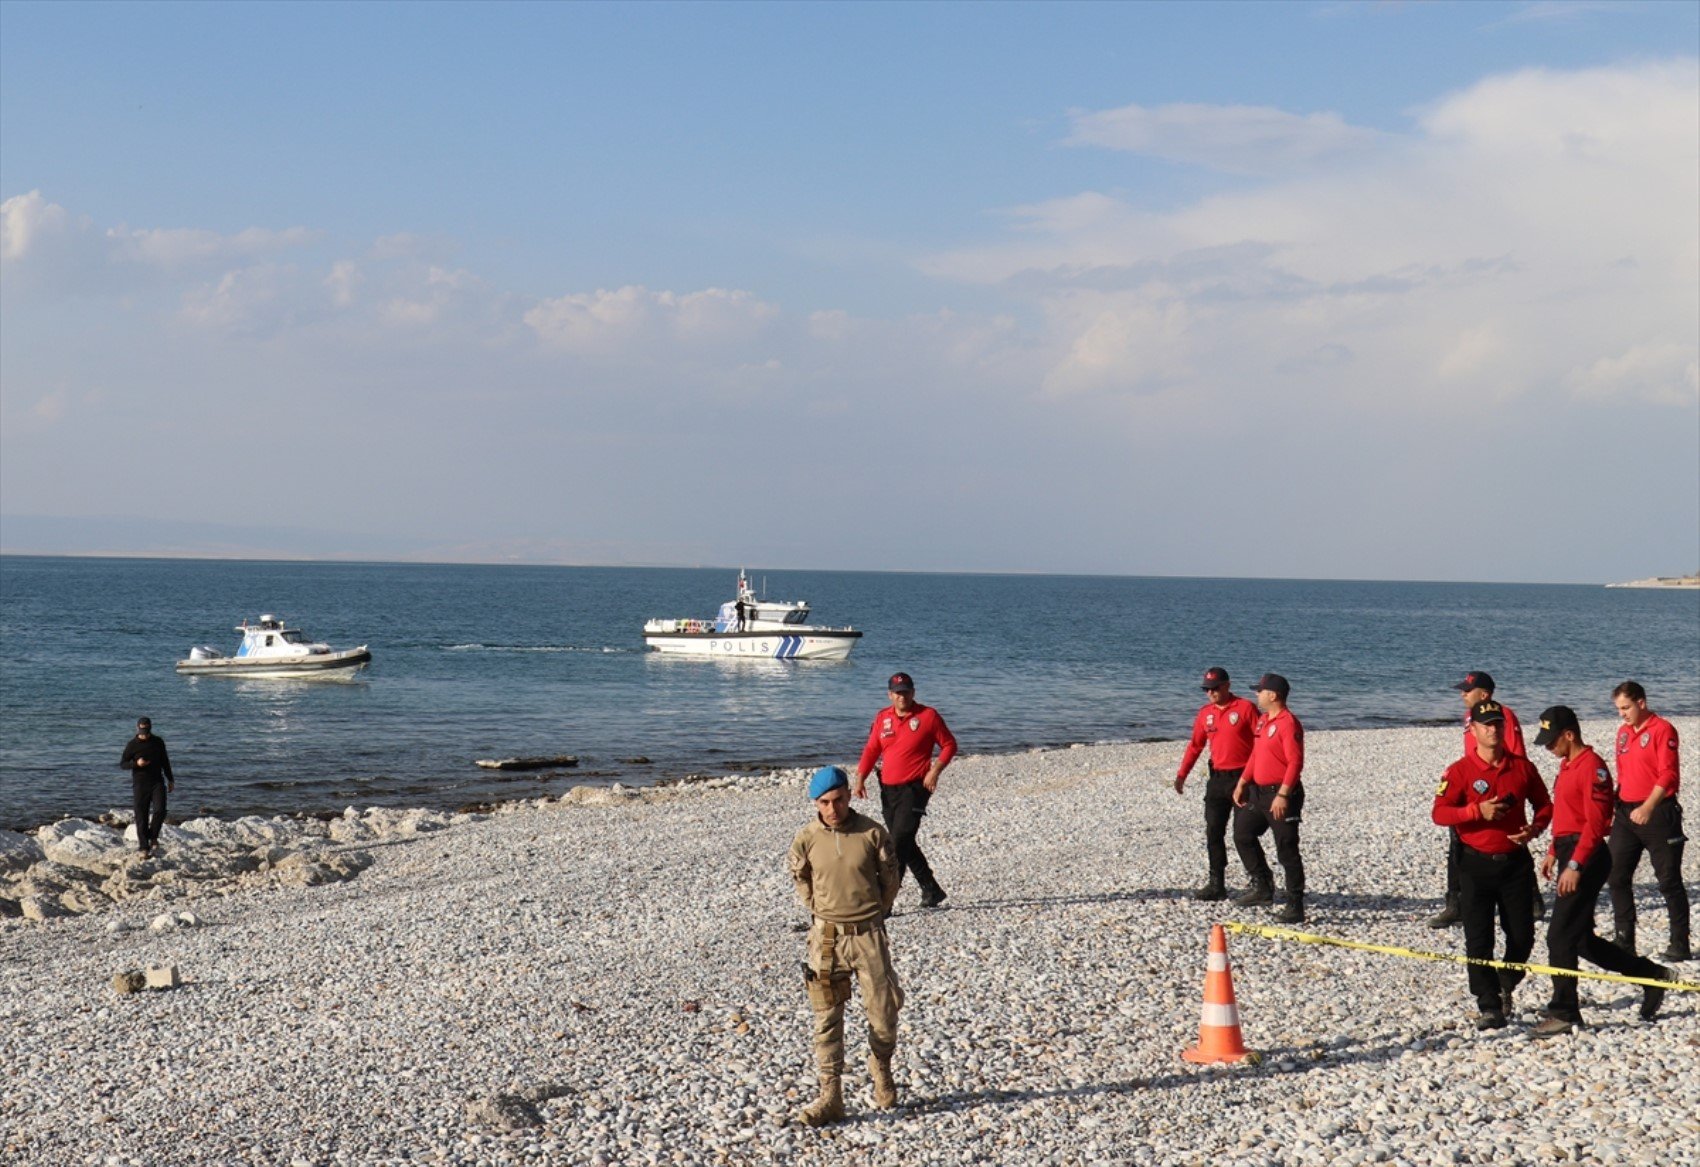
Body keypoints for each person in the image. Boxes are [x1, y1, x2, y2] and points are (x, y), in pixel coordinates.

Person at [1530, 706, 1669, 1037]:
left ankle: (1565, 1012)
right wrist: (1553, 852)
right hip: (1570, 849)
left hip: (1587, 855)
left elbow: (1595, 823)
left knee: (1558, 935)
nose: (1549, 748)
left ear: (1569, 735)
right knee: (1580, 941)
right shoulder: (1567, 766)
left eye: (1552, 741)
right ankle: (1651, 976)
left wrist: (1576, 864)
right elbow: (1567, 815)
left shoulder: (1593, 768)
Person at [788, 766, 904, 1126]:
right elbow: (800, 878)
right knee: (826, 1020)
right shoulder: (805, 838)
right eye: (824, 803)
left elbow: (891, 880)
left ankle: (880, 1065)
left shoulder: (871, 833)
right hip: (826, 940)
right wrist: (821, 912)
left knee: (884, 1015)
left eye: (837, 800)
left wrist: (874, 914)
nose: (832, 809)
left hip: (868, 936)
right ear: (815, 803)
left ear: (848, 797)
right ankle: (830, 1095)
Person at [1431, 699, 1552, 1029]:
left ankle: (1505, 983)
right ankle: (1488, 1004)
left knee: (1522, 936)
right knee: (1478, 938)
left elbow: (1544, 805)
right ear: (1474, 730)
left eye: (1498, 724)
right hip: (1474, 864)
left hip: (1514, 863)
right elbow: (1439, 813)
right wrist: (1475, 812)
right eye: (1487, 725)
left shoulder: (1522, 767)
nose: (1494, 730)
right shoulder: (1459, 771)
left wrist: (1535, 829)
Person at [1431, 671, 1530, 928]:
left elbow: (1517, 757)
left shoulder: (1503, 716)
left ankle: (1530, 900)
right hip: (1471, 787)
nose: (1462, 694)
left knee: (1510, 843)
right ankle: (1456, 903)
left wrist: (1512, 795)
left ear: (1484, 694)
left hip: (1497, 790)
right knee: (1459, 844)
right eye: (1463, 689)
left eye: (1468, 690)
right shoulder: (1469, 718)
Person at [855, 672, 957, 909]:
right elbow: (871, 749)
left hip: (916, 787)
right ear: (890, 695)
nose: (902, 697)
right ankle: (931, 890)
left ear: (914, 692)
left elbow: (950, 745)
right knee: (904, 840)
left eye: (907, 692)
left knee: (897, 842)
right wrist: (860, 778)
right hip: (888, 788)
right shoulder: (883, 718)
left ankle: (885, 902)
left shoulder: (928, 716)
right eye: (898, 693)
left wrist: (935, 771)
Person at [1606, 681, 1690, 962]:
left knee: (1668, 881)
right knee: (1616, 875)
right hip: (1625, 814)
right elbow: (1623, 774)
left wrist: (1648, 806)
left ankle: (1680, 942)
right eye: (1618, 709)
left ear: (1641, 703)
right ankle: (1624, 940)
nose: (1622, 714)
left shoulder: (1662, 729)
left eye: (1626, 707)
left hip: (1658, 813)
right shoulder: (1622, 734)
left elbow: (1668, 775)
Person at [1175, 667, 1259, 901]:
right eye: (1206, 689)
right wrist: (1182, 774)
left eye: (1215, 688)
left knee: (1244, 833)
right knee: (1213, 830)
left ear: (1227, 685)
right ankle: (1216, 882)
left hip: (1243, 777)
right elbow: (1195, 746)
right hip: (1218, 779)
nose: (1210, 693)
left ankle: (1259, 881)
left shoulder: (1245, 708)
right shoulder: (1205, 714)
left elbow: (1261, 743)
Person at [1231, 673, 1307, 923]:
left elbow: (1295, 762)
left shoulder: (1288, 723)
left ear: (1273, 695)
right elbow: (1255, 755)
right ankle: (1262, 886)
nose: (1257, 695)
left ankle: (1295, 905)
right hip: (1258, 792)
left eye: (1260, 691)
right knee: (1243, 834)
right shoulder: (1263, 721)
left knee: (1286, 849)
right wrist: (1243, 782)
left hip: (1281, 794)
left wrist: (1284, 794)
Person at [119, 716, 174, 857]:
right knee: (141, 815)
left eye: (146, 729)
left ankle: (153, 836)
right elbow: (123, 764)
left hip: (157, 782)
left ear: (150, 727)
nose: (144, 732)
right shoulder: (132, 744)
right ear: (137, 728)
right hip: (140, 784)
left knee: (160, 810)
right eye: (142, 729)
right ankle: (144, 847)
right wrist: (136, 764)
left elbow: (165, 761)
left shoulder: (158, 742)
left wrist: (171, 779)